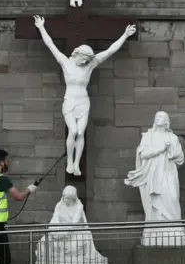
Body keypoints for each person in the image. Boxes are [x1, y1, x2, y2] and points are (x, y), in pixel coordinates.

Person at [33, 15, 136, 177]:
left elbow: (110, 50)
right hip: (70, 101)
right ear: (77, 54)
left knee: (81, 132)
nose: (85, 62)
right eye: (84, 59)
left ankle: (76, 164)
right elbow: (50, 44)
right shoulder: (65, 62)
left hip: (83, 102)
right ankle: (69, 162)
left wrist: (125, 35)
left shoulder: (91, 65)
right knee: (72, 130)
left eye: (88, 60)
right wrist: (41, 27)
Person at [124, 111, 185, 247]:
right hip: (153, 175)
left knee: (171, 196)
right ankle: (154, 229)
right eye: (156, 117)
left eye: (162, 117)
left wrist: (170, 149)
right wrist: (160, 149)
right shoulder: (148, 136)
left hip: (168, 173)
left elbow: (180, 158)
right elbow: (143, 154)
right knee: (154, 201)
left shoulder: (172, 137)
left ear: (167, 121)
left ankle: (174, 227)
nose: (158, 118)